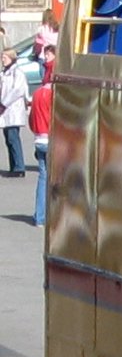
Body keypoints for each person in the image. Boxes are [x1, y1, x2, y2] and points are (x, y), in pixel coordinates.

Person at [29, 44, 54, 225]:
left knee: (43, 178)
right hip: (52, 139)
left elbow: (31, 121)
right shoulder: (53, 94)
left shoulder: (37, 93)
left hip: (39, 138)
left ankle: (39, 216)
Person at [0, 48, 30, 177]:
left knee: (13, 138)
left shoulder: (17, 73)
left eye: (4, 57)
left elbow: (17, 90)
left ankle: (19, 168)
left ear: (11, 58)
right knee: (8, 139)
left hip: (12, 110)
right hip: (6, 111)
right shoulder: (4, 73)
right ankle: (14, 166)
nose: (2, 60)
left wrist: (4, 103)